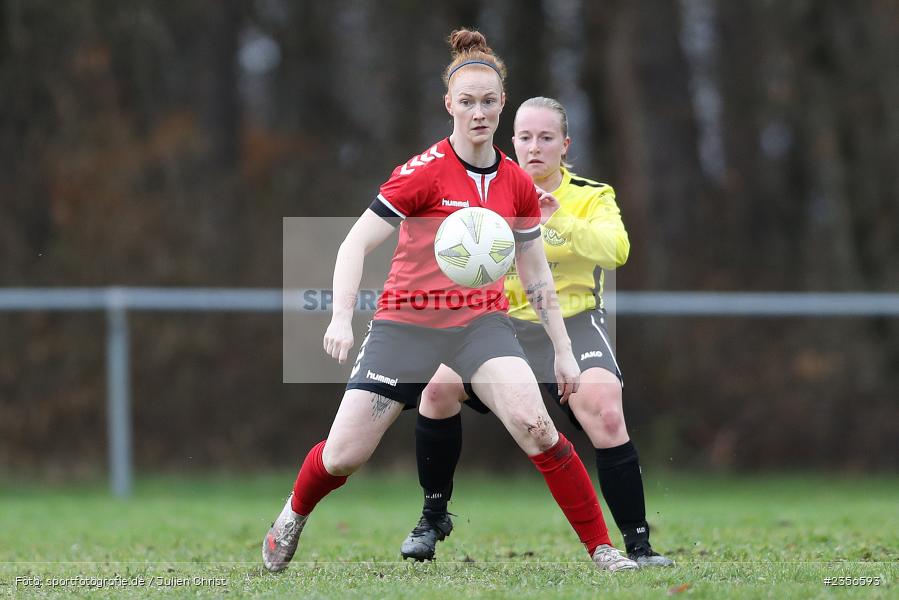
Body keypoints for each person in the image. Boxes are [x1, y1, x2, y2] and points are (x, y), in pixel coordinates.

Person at [262, 31, 638, 573]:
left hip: (481, 326)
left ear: (501, 104)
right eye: (467, 102)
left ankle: (604, 551)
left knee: (537, 427)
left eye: (488, 102)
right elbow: (354, 243)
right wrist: (342, 317)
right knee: (345, 455)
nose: (478, 112)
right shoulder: (423, 172)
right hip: (404, 327)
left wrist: (561, 350)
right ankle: (292, 515)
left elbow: (534, 274)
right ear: (449, 105)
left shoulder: (515, 183)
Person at [400, 96, 674, 567]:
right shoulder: (487, 189)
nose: (534, 147)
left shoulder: (591, 194)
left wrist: (558, 220)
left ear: (565, 145)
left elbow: (616, 250)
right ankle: (432, 518)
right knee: (437, 391)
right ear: (513, 141)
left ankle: (638, 545)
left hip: (571, 322)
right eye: (525, 137)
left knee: (605, 411)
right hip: (493, 321)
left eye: (546, 138)